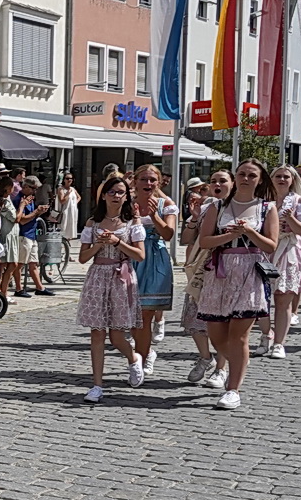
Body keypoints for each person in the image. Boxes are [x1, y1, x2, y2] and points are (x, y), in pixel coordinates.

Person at [196, 159, 280, 411]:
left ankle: (233, 389)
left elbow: (271, 245)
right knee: (217, 334)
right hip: (220, 272)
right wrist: (230, 235)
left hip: (249, 273)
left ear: (260, 180)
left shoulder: (267, 208)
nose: (245, 178)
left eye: (251, 175)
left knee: (239, 336)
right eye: (241, 174)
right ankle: (237, 366)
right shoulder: (218, 206)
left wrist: (249, 232)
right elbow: (205, 241)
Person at [75, 175, 147, 403]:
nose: (117, 196)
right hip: (98, 276)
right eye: (113, 192)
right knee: (97, 332)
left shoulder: (131, 223)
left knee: (117, 335)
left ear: (126, 197)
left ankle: (133, 358)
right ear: (104, 195)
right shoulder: (92, 223)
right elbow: (82, 258)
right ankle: (97, 384)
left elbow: (140, 255)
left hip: (121, 277)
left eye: (121, 192)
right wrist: (99, 244)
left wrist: (118, 243)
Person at [180, 169, 232, 388]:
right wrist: (193, 218)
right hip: (200, 265)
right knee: (195, 319)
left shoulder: (237, 207)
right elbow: (185, 239)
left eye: (222, 181)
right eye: (213, 181)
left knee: (223, 321)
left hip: (227, 268)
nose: (217, 184)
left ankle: (222, 369)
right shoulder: (206, 206)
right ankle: (205, 357)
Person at [130, 165, 177, 375]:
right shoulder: (126, 203)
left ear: (158, 182)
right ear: (136, 181)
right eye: (144, 179)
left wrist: (153, 216)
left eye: (152, 180)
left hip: (154, 258)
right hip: (130, 256)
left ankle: (140, 360)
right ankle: (145, 353)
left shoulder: (165, 204)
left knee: (145, 314)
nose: (148, 184)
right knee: (131, 315)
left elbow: (169, 234)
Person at [268, 165, 301, 359]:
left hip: (289, 250)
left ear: (292, 180)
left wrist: (290, 218)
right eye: (278, 176)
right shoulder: (263, 200)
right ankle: (266, 336)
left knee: (283, 298)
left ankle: (279, 343)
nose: (281, 179)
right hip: (265, 250)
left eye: (285, 177)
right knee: (259, 299)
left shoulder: (299, 201)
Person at [15, 175, 52, 297]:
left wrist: (39, 211)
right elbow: (22, 220)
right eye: (33, 188)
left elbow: (31, 216)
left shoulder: (29, 198)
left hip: (31, 234)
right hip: (23, 235)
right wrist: (37, 212)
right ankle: (19, 289)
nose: (35, 191)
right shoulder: (19, 200)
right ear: (25, 186)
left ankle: (40, 287)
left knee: (33, 263)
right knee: (20, 264)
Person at [56, 171, 81, 275]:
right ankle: (60, 253)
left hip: (73, 212)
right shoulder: (61, 189)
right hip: (65, 212)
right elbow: (62, 200)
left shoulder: (73, 189)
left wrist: (74, 203)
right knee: (63, 232)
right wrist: (67, 194)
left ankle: (68, 254)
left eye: (70, 178)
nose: (69, 180)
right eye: (67, 178)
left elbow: (79, 197)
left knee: (70, 235)